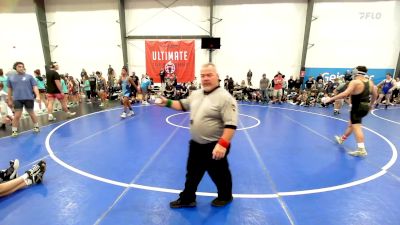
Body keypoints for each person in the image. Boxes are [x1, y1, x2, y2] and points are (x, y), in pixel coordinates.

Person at [156, 63, 238, 208]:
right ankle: (188, 198)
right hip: (196, 144)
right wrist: (167, 102)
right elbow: (182, 105)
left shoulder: (225, 98)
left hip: (215, 145)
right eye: (203, 75)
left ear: (217, 77)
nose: (205, 78)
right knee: (192, 173)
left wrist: (223, 144)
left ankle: (226, 196)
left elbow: (231, 124)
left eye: (209, 75)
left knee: (219, 174)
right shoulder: (196, 94)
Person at [323, 66, 378, 157]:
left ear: (356, 72)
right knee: (351, 124)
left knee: (357, 127)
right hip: (364, 107)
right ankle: (342, 139)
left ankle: (361, 149)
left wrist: (330, 99)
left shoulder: (355, 82)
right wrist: (371, 105)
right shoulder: (370, 82)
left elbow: (345, 94)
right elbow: (375, 93)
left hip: (357, 107)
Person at [6, 62, 41, 137]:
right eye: (19, 67)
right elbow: (9, 90)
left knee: (31, 113)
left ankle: (36, 126)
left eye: (22, 66)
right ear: (15, 68)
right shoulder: (10, 78)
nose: (21, 68)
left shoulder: (29, 77)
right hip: (17, 99)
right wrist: (9, 100)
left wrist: (38, 96)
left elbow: (35, 87)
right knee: (17, 115)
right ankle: (14, 131)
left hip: (28, 98)